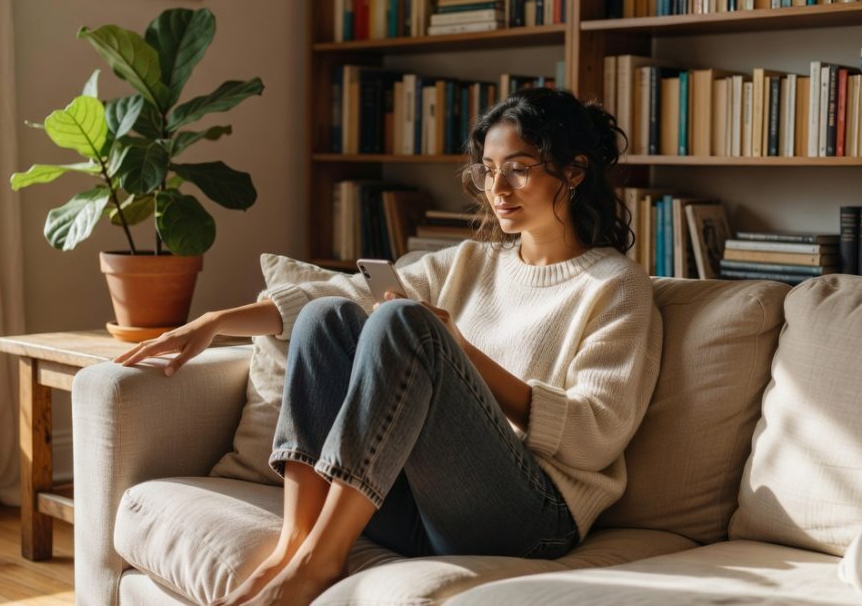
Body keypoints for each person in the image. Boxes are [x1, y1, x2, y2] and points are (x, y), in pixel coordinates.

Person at [116, 87, 663, 606]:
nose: (498, 190)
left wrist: (460, 350)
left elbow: (594, 437)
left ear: (574, 171)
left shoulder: (616, 288)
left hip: (532, 518)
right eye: (489, 172)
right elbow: (339, 290)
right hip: (421, 505)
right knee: (326, 315)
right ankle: (294, 544)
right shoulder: (473, 262)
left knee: (405, 322)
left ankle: (319, 564)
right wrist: (216, 322)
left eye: (518, 170)